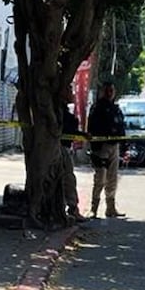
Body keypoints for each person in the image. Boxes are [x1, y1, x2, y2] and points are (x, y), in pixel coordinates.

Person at [87, 80, 127, 218]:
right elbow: (91, 128)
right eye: (107, 90)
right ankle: (94, 208)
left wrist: (124, 145)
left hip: (114, 146)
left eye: (112, 90)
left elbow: (122, 127)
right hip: (101, 147)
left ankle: (111, 208)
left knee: (112, 179)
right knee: (100, 179)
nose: (109, 93)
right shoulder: (97, 108)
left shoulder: (116, 109)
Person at [60, 86, 89, 223]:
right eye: (69, 91)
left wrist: (82, 134)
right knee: (68, 179)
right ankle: (72, 208)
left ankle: (67, 207)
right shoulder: (59, 112)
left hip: (65, 147)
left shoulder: (64, 112)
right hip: (60, 148)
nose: (71, 94)